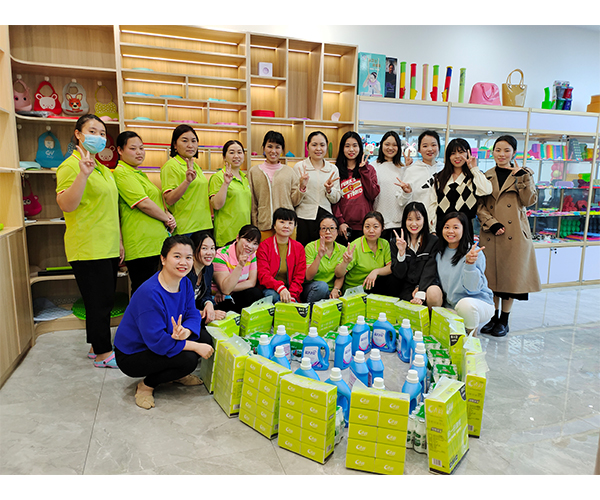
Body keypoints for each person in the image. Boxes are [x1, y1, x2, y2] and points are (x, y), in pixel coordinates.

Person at [114, 235, 215, 410]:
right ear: (163, 259)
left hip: (165, 338)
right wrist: (194, 346)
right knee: (189, 359)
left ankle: (174, 374)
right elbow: (158, 341)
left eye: (188, 257)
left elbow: (192, 313)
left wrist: (186, 332)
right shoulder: (149, 293)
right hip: (133, 353)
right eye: (177, 256)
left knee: (205, 339)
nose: (183, 262)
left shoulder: (185, 283)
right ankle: (146, 385)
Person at [56, 114, 121, 368]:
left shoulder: (103, 168)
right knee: (98, 302)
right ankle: (104, 354)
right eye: (93, 131)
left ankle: (96, 346)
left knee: (104, 300)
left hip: (107, 245)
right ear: (78, 134)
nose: (99, 137)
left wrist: (119, 243)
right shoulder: (70, 166)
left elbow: (110, 209)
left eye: (103, 133)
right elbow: (66, 204)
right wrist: (82, 175)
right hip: (87, 246)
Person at [477, 135, 542, 337]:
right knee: (491, 280)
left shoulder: (523, 174)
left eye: (506, 150)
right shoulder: (486, 176)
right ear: (492, 152)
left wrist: (523, 178)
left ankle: (504, 320)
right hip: (491, 233)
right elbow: (479, 206)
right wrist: (492, 223)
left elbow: (529, 200)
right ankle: (493, 317)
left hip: (514, 235)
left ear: (514, 152)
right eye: (498, 150)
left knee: (510, 280)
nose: (502, 154)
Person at [114, 131, 174, 295]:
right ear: (120, 150)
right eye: (133, 148)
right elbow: (144, 204)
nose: (139, 152)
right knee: (144, 293)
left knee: (156, 292)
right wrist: (167, 219)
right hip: (141, 245)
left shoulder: (138, 173)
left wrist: (167, 214)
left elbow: (154, 201)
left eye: (141, 148)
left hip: (154, 244)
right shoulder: (122, 173)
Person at [436, 212, 495, 335]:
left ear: (464, 229)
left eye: (455, 227)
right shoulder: (439, 253)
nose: (450, 231)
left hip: (477, 302)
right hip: (452, 306)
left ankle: (472, 338)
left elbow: (473, 289)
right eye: (447, 227)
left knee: (465, 305)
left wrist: (470, 264)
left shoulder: (474, 253)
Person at [247, 130, 307, 241]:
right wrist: (255, 225)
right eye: (270, 146)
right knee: (265, 252)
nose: (273, 151)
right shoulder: (253, 171)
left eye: (277, 147)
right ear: (263, 148)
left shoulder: (289, 171)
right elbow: (253, 202)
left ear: (282, 150)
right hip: (264, 225)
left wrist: (301, 187)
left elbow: (294, 202)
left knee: (287, 252)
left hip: (287, 225)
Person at [431, 137, 493, 238]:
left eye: (461, 152)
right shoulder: (440, 178)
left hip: (465, 228)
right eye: (453, 153)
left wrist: (474, 168)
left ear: (468, 153)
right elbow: (433, 204)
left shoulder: (474, 177)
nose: (457, 156)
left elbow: (486, 190)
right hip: (443, 228)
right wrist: (432, 229)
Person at [161, 124, 212, 238]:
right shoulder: (171, 166)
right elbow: (169, 199)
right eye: (185, 141)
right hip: (185, 228)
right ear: (175, 145)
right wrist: (187, 181)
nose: (190, 145)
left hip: (203, 225)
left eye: (194, 141)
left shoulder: (196, 166)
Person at [390, 201, 443, 307]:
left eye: (418, 219)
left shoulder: (433, 241)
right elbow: (399, 274)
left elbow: (430, 270)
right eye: (409, 219)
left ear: (424, 220)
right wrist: (401, 253)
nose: (414, 224)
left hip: (427, 286)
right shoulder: (396, 242)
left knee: (432, 294)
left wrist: (421, 290)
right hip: (405, 289)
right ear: (404, 221)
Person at [292, 131, 341, 245]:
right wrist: (302, 187)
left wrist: (329, 190)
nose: (318, 148)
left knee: (324, 250)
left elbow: (336, 199)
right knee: (304, 251)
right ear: (307, 147)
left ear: (326, 147)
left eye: (322, 145)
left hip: (325, 220)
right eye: (314, 145)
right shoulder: (299, 167)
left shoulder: (333, 169)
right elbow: (294, 200)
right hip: (304, 218)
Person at [332, 131, 380, 244]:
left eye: (355, 145)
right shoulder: (335, 170)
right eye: (347, 146)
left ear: (360, 147)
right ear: (342, 148)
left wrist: (364, 171)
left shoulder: (369, 169)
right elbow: (334, 200)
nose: (351, 150)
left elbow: (372, 194)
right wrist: (340, 221)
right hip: (344, 227)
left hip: (365, 226)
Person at [334, 211, 392, 294]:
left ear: (382, 228)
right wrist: (345, 263)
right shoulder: (355, 246)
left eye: (375, 227)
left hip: (374, 287)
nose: (371, 230)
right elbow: (338, 274)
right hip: (355, 289)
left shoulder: (384, 243)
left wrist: (376, 271)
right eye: (367, 227)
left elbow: (390, 267)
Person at [256, 208, 306, 303]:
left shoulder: (299, 248)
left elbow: (299, 276)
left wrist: (292, 295)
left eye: (290, 223)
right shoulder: (264, 246)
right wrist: (280, 288)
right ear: (274, 225)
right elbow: (263, 274)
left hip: (291, 290)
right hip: (271, 288)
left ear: (295, 226)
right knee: (273, 296)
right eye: (282, 222)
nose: (286, 226)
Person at [208, 140, 251, 247]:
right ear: (224, 157)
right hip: (227, 234)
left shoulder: (245, 178)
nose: (236, 156)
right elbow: (216, 205)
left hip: (244, 234)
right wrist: (226, 183)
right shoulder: (218, 177)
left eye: (239, 152)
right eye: (231, 152)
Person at [212, 224, 264, 313]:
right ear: (237, 238)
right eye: (248, 240)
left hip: (232, 293)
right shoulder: (221, 256)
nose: (250, 246)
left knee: (255, 293)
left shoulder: (251, 254)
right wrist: (240, 265)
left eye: (255, 243)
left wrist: (228, 289)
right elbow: (226, 288)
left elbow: (252, 282)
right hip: (218, 298)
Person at [372, 130, 413, 242]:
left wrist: (408, 168)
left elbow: (405, 196)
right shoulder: (373, 167)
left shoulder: (403, 168)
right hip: (379, 221)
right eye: (387, 144)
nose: (390, 148)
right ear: (381, 145)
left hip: (399, 222)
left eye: (394, 145)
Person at [401, 130, 443, 233]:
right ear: (419, 149)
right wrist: (407, 193)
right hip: (418, 224)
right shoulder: (411, 170)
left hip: (442, 223)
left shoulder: (445, 169)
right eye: (425, 146)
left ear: (439, 147)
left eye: (433, 145)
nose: (430, 149)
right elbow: (401, 202)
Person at [303, 214, 347, 303]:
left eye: (332, 228)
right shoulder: (310, 247)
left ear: (337, 231)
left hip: (331, 290)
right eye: (323, 228)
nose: (328, 232)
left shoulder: (342, 249)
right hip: (313, 288)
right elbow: (308, 277)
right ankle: (311, 309)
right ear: (319, 232)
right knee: (322, 287)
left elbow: (340, 275)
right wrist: (319, 256)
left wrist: (336, 289)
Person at [186, 232, 226, 324]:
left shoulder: (208, 267)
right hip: (183, 318)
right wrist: (205, 314)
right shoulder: (185, 272)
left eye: (212, 248)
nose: (209, 253)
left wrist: (208, 303)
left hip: (197, 311)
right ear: (193, 250)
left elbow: (206, 293)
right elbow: (180, 307)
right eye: (204, 248)